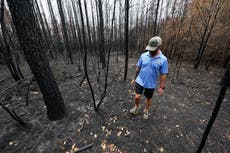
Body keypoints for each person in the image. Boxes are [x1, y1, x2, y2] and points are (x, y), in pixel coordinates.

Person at [130, 36, 168, 119]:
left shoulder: (163, 59)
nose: (151, 51)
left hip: (150, 83)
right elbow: (138, 68)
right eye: (150, 48)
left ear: (159, 47)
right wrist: (134, 78)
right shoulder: (143, 55)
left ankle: (146, 110)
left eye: (153, 49)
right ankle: (137, 107)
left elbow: (163, 74)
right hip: (140, 80)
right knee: (137, 97)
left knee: (148, 98)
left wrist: (162, 87)